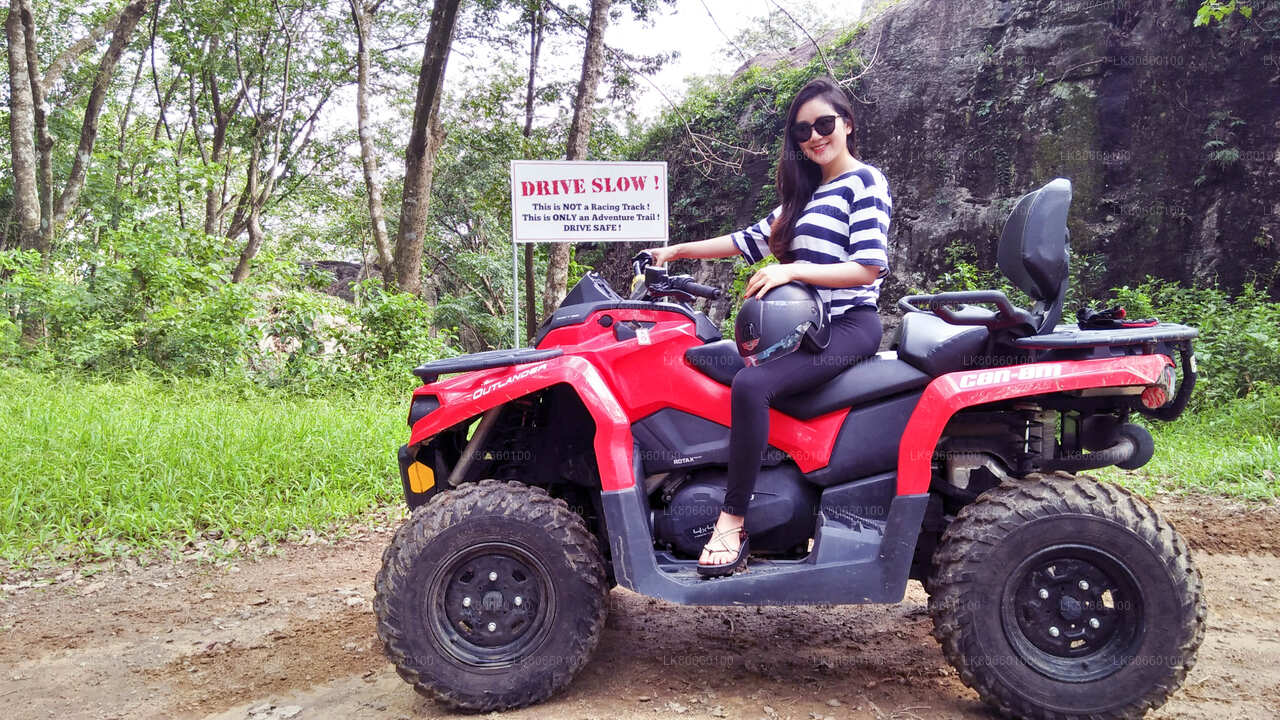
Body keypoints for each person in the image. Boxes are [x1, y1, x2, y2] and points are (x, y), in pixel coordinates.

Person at [644, 77, 892, 577]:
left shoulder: (865, 181)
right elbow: (746, 240)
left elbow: (868, 266)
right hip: (799, 327)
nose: (815, 136)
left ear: (846, 124)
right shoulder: (804, 197)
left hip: (847, 325)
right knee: (704, 359)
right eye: (803, 130)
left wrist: (792, 270)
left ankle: (732, 520)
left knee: (752, 384)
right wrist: (675, 251)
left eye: (824, 123)